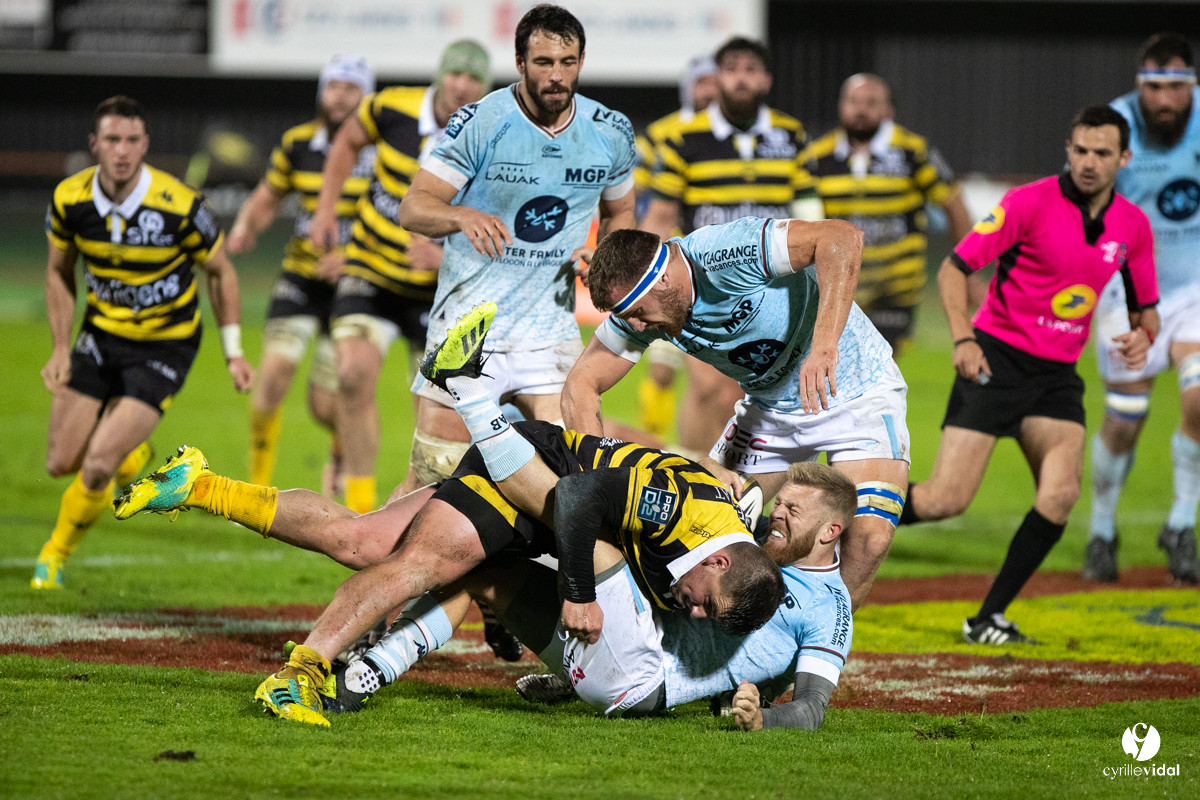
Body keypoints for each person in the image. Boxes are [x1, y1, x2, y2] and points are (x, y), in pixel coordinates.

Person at [113, 305, 783, 727]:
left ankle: (199, 486)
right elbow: (576, 501)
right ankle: (301, 675)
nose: (693, 612)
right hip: (529, 474)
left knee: (362, 537)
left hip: (547, 506)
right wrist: (575, 595)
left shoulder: (728, 554)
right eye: (705, 604)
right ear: (719, 557)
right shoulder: (685, 514)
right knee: (418, 564)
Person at [898, 106, 1160, 643]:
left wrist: (1144, 336)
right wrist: (963, 338)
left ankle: (986, 618)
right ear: (1068, 149)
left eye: (1102, 153)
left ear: (1124, 158)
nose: (1089, 162)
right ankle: (829, 513)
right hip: (995, 358)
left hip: (1057, 376)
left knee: (1060, 494)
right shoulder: (1028, 203)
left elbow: (1146, 310)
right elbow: (954, 269)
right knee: (943, 500)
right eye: (1080, 150)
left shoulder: (1132, 226)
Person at [565, 215, 910, 610]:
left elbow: (842, 237)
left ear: (660, 279)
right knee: (702, 527)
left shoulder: (723, 254)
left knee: (868, 538)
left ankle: (818, 646)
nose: (637, 325)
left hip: (853, 390)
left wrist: (825, 345)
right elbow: (581, 385)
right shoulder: (642, 310)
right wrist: (589, 485)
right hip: (770, 410)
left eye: (637, 311)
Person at [393, 3, 636, 496]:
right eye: (544, 62)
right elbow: (413, 208)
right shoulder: (481, 122)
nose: (556, 75)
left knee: (577, 476)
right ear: (520, 62)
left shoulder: (610, 132)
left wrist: (606, 257)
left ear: (582, 62)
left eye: (567, 63)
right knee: (432, 484)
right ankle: (382, 561)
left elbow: (621, 212)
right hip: (467, 329)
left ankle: (570, 575)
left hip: (548, 333)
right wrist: (461, 214)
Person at [31, 95, 254, 590]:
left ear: (145, 145)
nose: (122, 150)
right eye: (112, 139)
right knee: (58, 462)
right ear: (94, 145)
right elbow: (57, 272)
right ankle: (134, 455)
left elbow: (221, 272)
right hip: (101, 336)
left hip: (164, 347)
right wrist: (60, 348)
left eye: (132, 140)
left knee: (94, 467)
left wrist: (234, 350)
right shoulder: (70, 199)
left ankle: (53, 556)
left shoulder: (177, 205)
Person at [307, 40, 491, 514]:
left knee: (434, 418)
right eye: (455, 74)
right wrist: (326, 209)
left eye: (473, 78)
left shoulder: (493, 132)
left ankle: (421, 513)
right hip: (370, 268)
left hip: (438, 291)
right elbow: (347, 140)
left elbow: (494, 216)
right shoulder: (391, 107)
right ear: (440, 74)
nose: (462, 86)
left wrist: (445, 249)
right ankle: (360, 510)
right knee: (351, 375)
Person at [638, 37, 825, 460]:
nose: (741, 77)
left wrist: (821, 270)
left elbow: (811, 212)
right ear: (718, 77)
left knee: (762, 397)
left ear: (766, 79)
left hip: (777, 290)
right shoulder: (684, 138)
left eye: (751, 69)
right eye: (732, 68)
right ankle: (688, 486)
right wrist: (646, 273)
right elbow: (662, 215)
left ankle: (745, 493)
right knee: (708, 391)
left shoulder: (791, 135)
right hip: (703, 287)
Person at [226, 54, 376, 490]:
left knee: (326, 406)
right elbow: (267, 196)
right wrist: (245, 225)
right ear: (321, 93)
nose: (340, 96)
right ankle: (256, 485)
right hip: (300, 276)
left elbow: (396, 217)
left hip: (353, 283)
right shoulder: (298, 144)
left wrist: (352, 257)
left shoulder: (381, 151)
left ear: (365, 97)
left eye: (351, 88)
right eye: (333, 86)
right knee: (271, 377)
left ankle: (339, 451)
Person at [1086, 33, 1200, 584]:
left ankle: (1181, 524)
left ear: (1190, 85)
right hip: (1125, 290)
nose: (1162, 100)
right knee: (1123, 422)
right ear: (1139, 85)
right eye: (1152, 87)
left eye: (1173, 88)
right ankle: (1102, 529)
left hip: (1195, 288)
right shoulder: (1113, 128)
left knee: (1199, 399)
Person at [804, 73, 973, 353]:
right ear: (840, 106)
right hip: (838, 284)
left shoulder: (913, 152)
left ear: (888, 111)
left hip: (895, 288)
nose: (860, 109)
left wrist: (966, 268)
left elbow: (953, 204)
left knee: (880, 369)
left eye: (871, 102)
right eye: (853, 101)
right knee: (837, 370)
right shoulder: (817, 156)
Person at [633, 54, 719, 439]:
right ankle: (656, 440)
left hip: (713, 275)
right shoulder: (662, 134)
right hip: (667, 273)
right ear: (689, 88)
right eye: (702, 83)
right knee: (663, 372)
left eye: (715, 82)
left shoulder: (725, 140)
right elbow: (634, 187)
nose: (710, 90)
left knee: (714, 382)